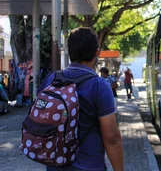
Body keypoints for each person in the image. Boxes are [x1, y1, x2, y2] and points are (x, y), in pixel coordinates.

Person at [38, 27, 124, 171]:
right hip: (88, 166)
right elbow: (112, 138)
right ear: (96, 52)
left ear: (69, 51)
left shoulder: (51, 79)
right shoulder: (99, 85)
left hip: (54, 165)